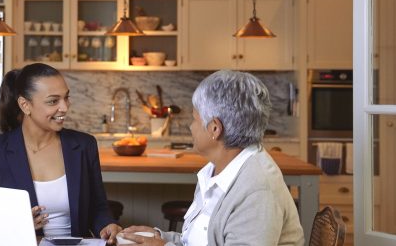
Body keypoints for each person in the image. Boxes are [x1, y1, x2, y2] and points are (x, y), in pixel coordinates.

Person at [120, 70, 304, 246]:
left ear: (215, 128)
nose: (191, 127)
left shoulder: (258, 191)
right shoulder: (217, 170)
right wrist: (159, 237)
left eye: (195, 119)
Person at [0, 63, 122, 243]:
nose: (64, 107)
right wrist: (14, 225)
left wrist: (108, 225)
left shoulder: (84, 145)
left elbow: (98, 207)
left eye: (66, 98)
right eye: (53, 101)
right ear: (25, 105)